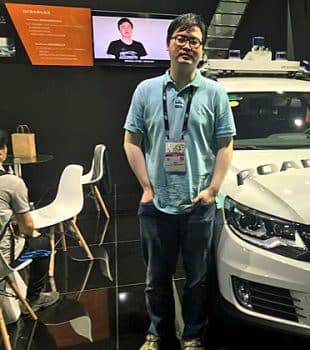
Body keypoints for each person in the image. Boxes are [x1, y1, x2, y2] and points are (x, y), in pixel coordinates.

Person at [123, 13, 236, 350]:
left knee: (198, 280)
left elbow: (225, 145)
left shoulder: (215, 93)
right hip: (156, 204)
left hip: (198, 206)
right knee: (156, 279)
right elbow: (131, 141)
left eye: (195, 41)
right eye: (181, 39)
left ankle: (193, 335)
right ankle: (158, 332)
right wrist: (146, 185)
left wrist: (212, 190)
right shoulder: (146, 90)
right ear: (169, 44)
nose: (187, 46)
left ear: (202, 50)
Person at [0, 128, 59, 313]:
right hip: (3, 263)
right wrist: (30, 232)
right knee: (42, 244)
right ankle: (34, 298)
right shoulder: (11, 183)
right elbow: (27, 227)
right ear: (2, 151)